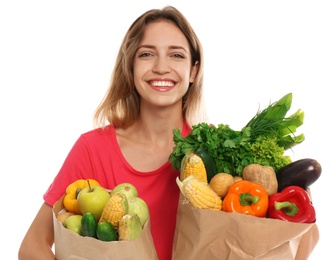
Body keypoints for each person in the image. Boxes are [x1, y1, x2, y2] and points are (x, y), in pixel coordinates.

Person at [18, 5, 207, 260]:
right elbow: (32, 246)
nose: (161, 67)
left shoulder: (209, 151)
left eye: (176, 55)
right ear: (130, 66)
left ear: (193, 70)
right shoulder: (93, 150)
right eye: (147, 54)